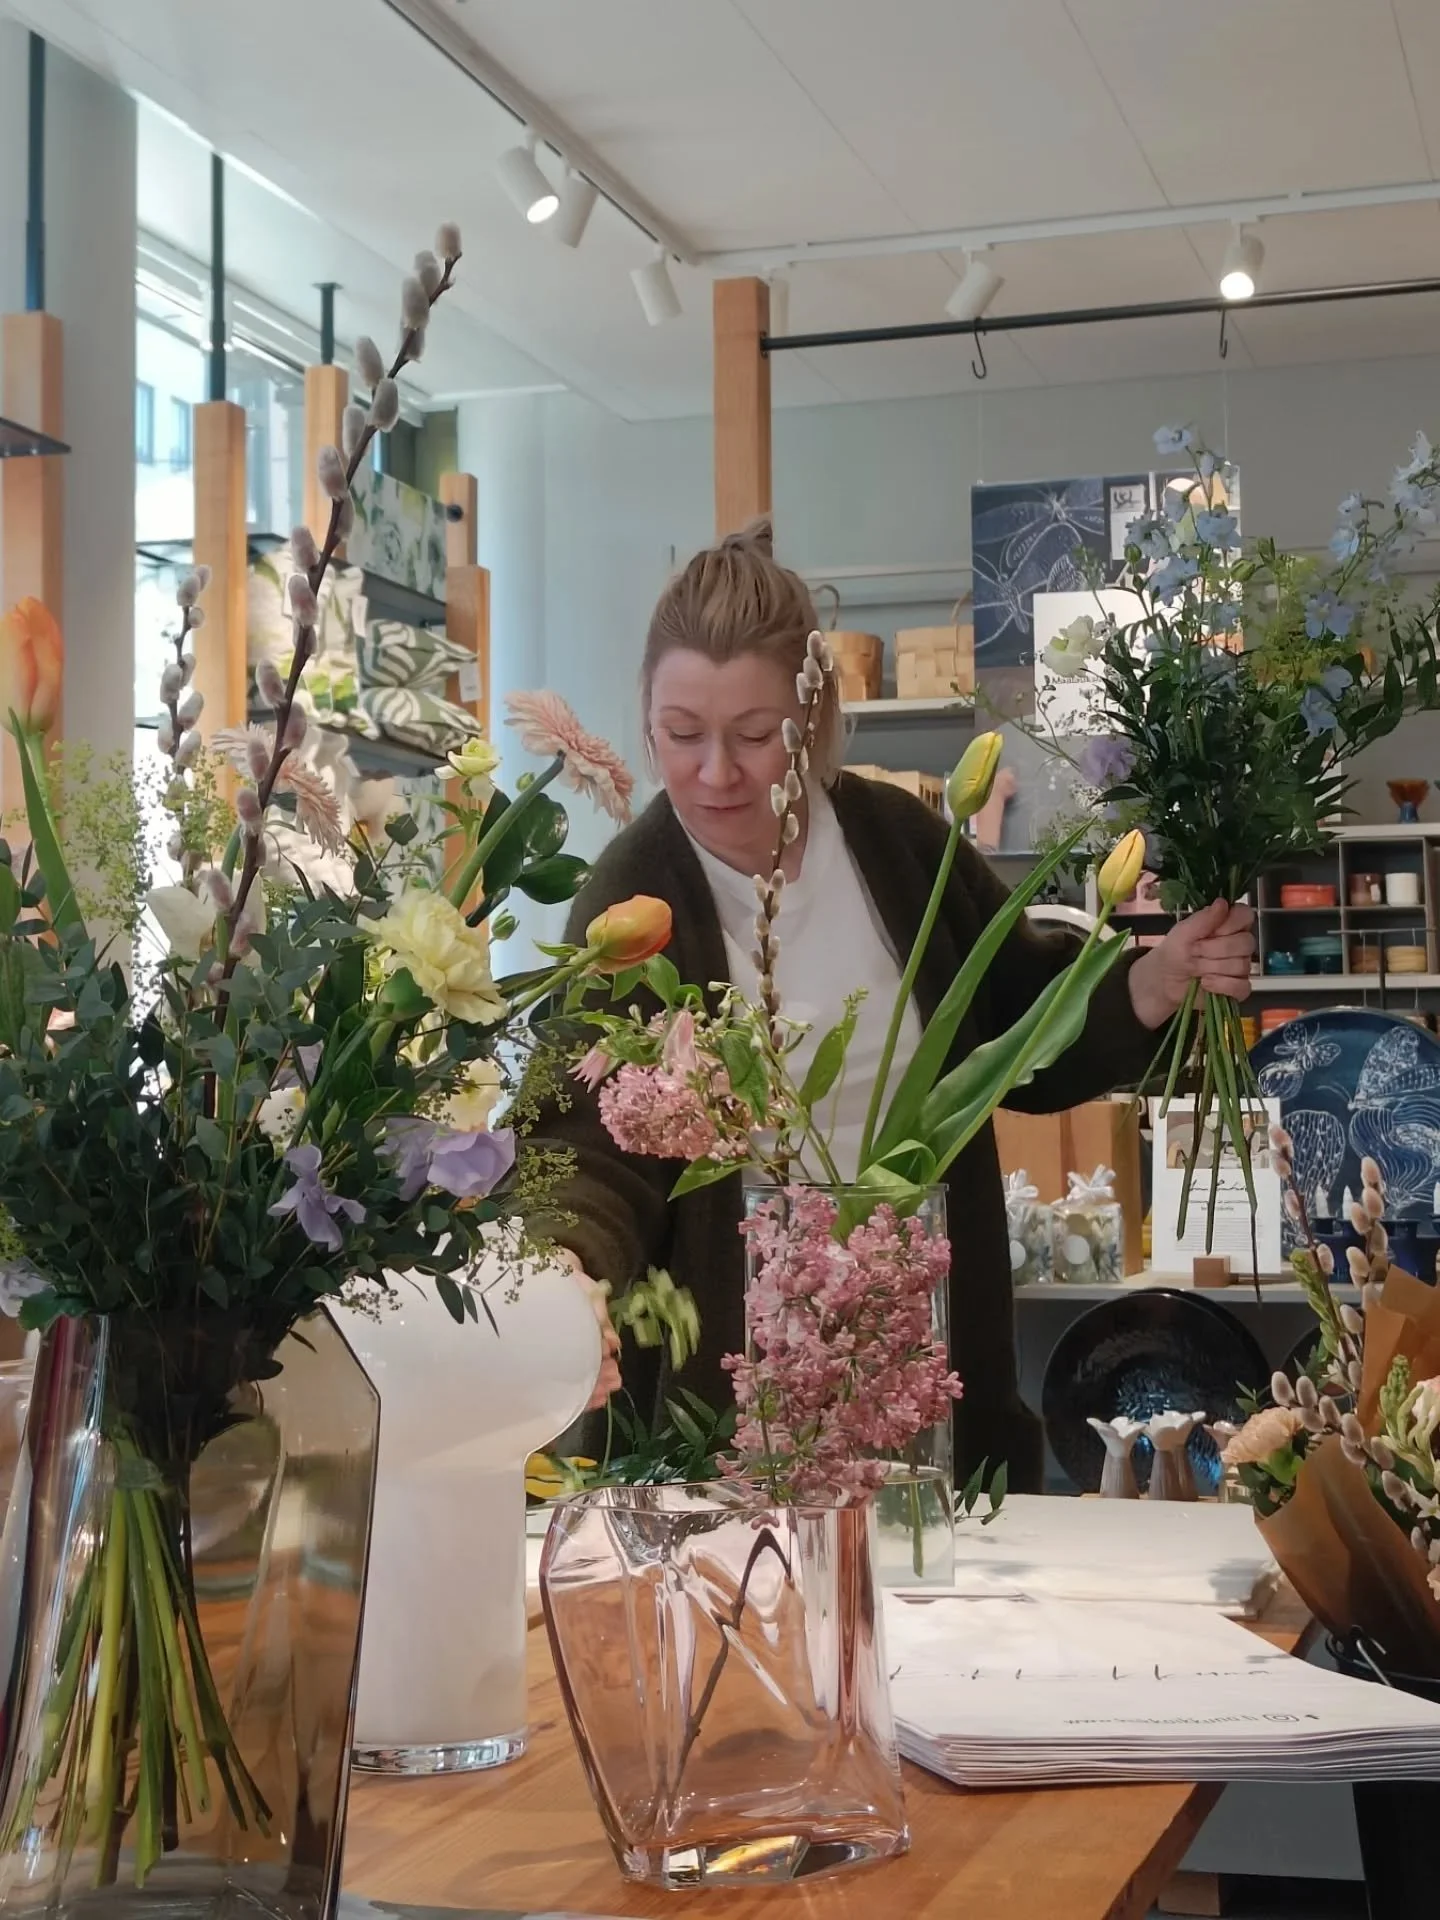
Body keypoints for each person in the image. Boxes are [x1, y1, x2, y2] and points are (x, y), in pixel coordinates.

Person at [531, 522, 1253, 1490]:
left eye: (754, 736)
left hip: (925, 1364)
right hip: (726, 1400)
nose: (716, 773)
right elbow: (584, 1139)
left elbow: (1021, 1022)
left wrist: (1145, 986)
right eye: (681, 734)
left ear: (812, 712)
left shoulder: (895, 843)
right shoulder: (632, 895)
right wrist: (564, 1261)